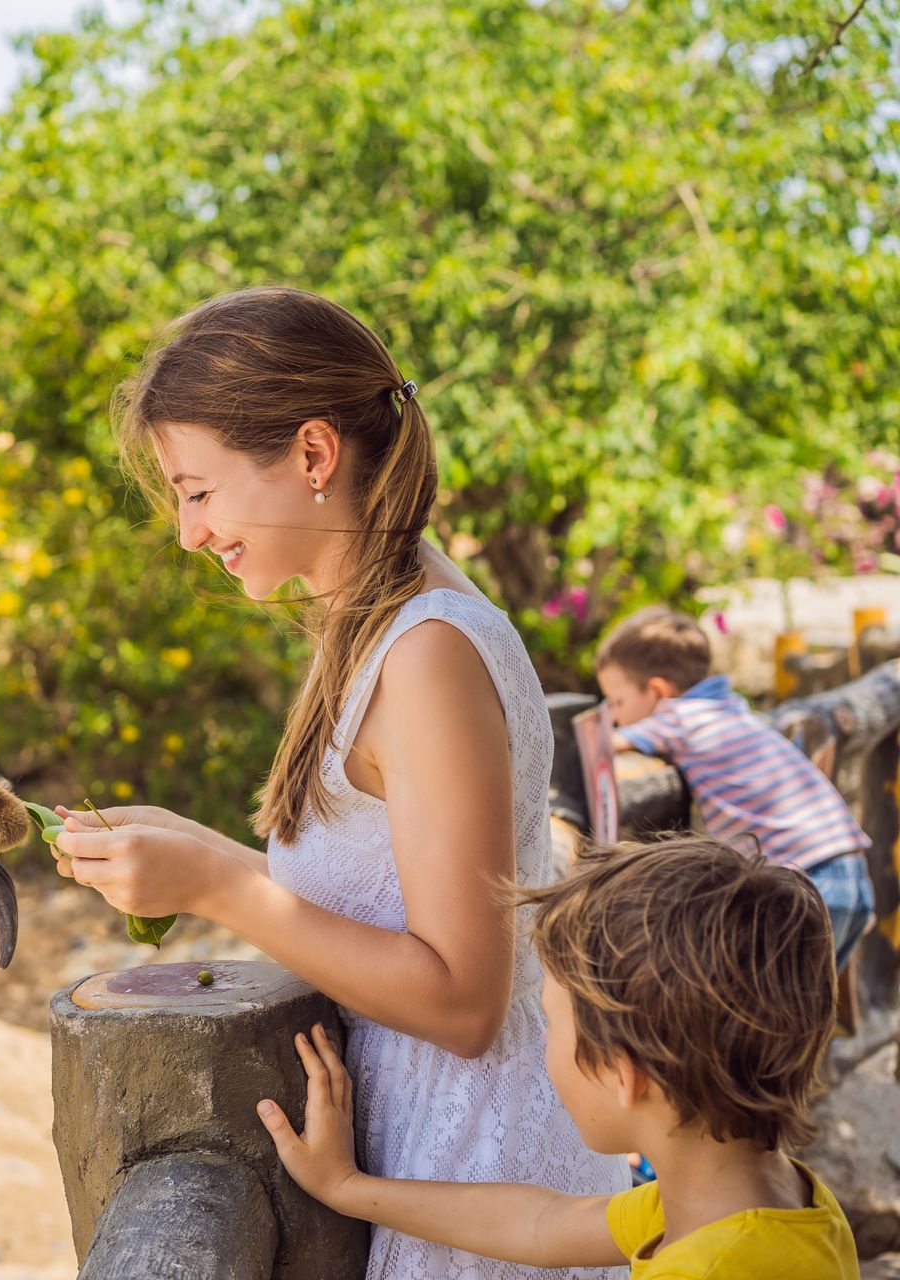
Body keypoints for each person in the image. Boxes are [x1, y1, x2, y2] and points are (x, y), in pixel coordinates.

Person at [52, 285, 624, 1277]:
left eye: (198, 490)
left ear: (313, 455)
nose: (190, 532)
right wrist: (195, 853)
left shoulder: (427, 651)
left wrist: (220, 887)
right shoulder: (382, 613)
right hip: (437, 1150)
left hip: (464, 1166)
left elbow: (462, 997)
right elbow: (397, 892)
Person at [257, 836, 859, 1279]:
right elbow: (540, 1225)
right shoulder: (767, 1202)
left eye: (552, 1024)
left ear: (628, 1075)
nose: (546, 1047)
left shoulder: (712, 1264)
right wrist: (345, 1186)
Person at [595, 606, 875, 971]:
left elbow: (606, 744)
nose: (615, 715)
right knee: (807, 1011)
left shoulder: (677, 717)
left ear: (657, 691)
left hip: (802, 880)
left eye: (617, 702)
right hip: (849, 869)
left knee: (775, 1013)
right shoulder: (730, 708)